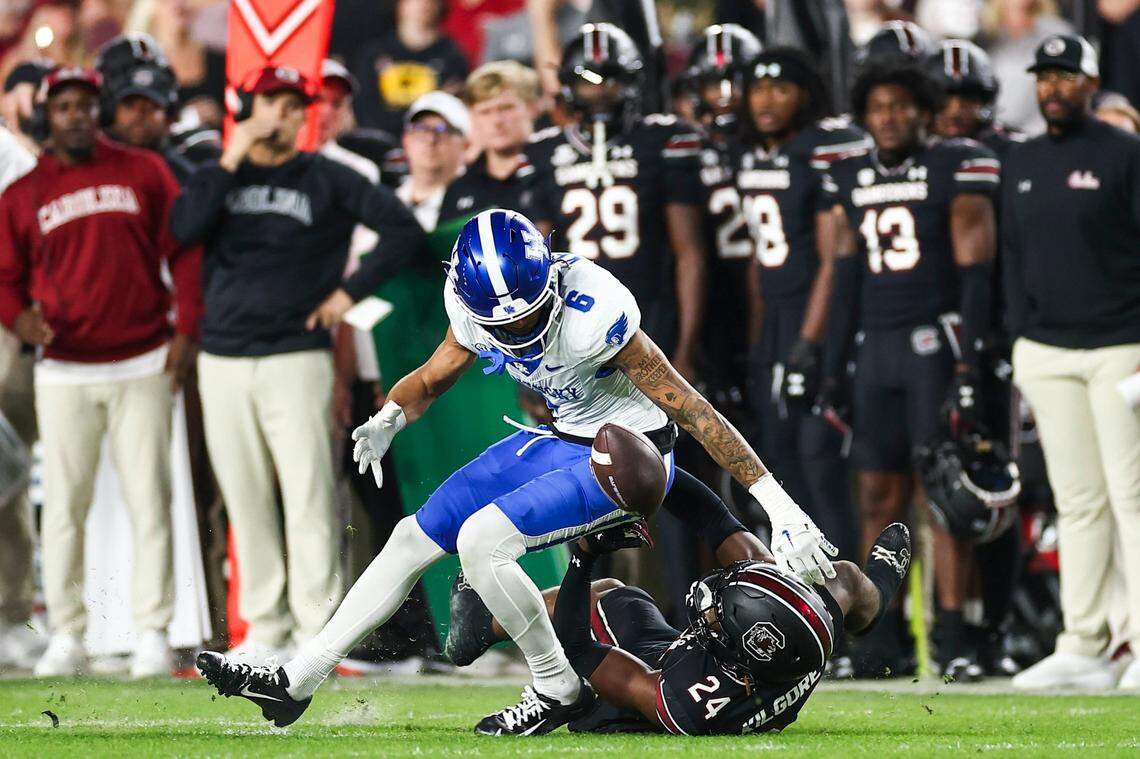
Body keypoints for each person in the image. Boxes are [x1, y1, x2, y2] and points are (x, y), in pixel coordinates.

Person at [195, 208, 838, 736]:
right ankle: (297, 682)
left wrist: (780, 505)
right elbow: (435, 374)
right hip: (562, 435)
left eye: (531, 314)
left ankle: (556, 686)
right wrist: (392, 413)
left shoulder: (595, 313)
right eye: (508, 324)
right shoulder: (471, 306)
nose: (523, 329)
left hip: (630, 454)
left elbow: (692, 411)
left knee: (481, 542)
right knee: (413, 539)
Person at [169, 64, 429, 665]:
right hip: (223, 356)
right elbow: (181, 231)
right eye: (273, 103)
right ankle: (263, 629)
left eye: (294, 105)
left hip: (296, 354)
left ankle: (317, 636)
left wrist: (349, 292)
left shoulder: (331, 177)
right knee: (245, 495)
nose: (284, 115)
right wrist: (233, 153)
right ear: (248, 107)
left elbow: (403, 231)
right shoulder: (219, 175)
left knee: (310, 494)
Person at [0, 67, 202, 678]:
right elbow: (4, 277)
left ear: (99, 111)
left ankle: (151, 631)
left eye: (86, 105)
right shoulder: (24, 193)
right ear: (49, 117)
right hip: (63, 369)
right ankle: (66, 634)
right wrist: (20, 321)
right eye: (63, 106)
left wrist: (184, 330)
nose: (76, 115)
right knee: (63, 507)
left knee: (150, 502)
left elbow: (185, 250)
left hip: (141, 359)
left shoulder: (145, 172)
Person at [820, 59, 1001, 681]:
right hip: (877, 348)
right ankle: (881, 642)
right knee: (877, 496)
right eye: (878, 107)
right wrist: (829, 363)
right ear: (864, 115)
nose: (889, 117)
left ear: (922, 109)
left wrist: (971, 364)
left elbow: (976, 272)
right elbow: (844, 273)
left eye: (900, 105)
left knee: (943, 498)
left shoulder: (954, 164)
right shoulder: (849, 176)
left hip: (934, 344)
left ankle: (952, 641)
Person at [1003, 34, 1140, 692]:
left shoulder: (1126, 153)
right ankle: (1083, 641)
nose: (1053, 87)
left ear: (1091, 83)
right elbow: (1011, 259)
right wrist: (1018, 339)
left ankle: (1137, 640)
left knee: (1132, 497)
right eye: (1044, 76)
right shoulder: (1021, 158)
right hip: (1048, 351)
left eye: (1066, 76)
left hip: (1121, 345)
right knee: (1078, 501)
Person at [734, 47, 868, 578]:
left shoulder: (820, 152)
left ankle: (851, 602)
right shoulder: (753, 155)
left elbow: (833, 260)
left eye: (781, 88)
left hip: (817, 325)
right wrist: (758, 338)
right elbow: (757, 259)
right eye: (759, 88)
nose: (767, 100)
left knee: (819, 466)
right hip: (774, 329)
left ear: (805, 95)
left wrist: (808, 343)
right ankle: (800, 602)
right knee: (776, 472)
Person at [525, 22, 707, 382]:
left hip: (650, 309)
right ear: (568, 84)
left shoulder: (661, 139)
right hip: (573, 315)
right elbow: (537, 262)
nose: (600, 93)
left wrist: (688, 348)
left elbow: (690, 252)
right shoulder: (542, 151)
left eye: (611, 80)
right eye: (587, 81)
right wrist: (536, 354)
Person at [925, 38, 1026, 677]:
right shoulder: (920, 162)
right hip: (943, 336)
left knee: (1002, 490)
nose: (957, 109)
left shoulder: (1012, 154)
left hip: (1008, 335)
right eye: (947, 97)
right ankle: (953, 634)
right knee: (948, 489)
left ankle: (999, 628)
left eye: (968, 97)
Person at [437, 60, 541, 227]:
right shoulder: (459, 189)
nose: (496, 121)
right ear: (472, 117)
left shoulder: (555, 173)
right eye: (485, 112)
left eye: (506, 108)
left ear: (533, 108)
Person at [350, 0, 468, 135]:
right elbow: (365, 113)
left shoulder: (453, 58)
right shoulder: (374, 54)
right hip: (378, 144)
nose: (423, 4)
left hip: (430, 143)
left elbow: (450, 116)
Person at [396, 91, 470, 231]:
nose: (431, 139)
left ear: (465, 144)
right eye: (421, 129)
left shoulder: (478, 206)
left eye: (442, 130)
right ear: (406, 140)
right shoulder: (387, 202)